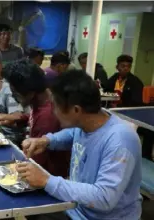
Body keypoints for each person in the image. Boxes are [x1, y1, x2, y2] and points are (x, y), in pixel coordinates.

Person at [17, 70, 142, 220]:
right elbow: (71, 134)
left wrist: (46, 180)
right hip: (76, 209)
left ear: (76, 110)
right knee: (28, 209)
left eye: (56, 106)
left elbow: (104, 198)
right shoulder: (90, 121)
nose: (54, 112)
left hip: (104, 217)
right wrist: (46, 141)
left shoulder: (120, 141)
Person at [0, 60, 70, 177]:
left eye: (15, 93)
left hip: (47, 176)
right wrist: (18, 119)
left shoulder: (47, 116)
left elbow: (35, 162)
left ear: (30, 93)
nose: (14, 96)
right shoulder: (43, 102)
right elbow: (34, 119)